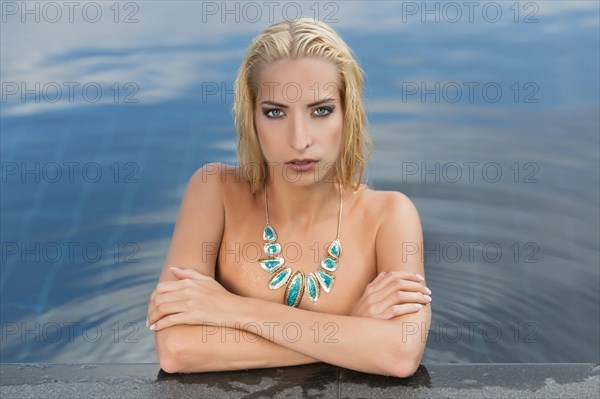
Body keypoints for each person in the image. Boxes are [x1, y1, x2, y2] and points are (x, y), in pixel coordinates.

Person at [146, 18, 432, 378]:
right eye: (275, 112)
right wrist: (351, 332)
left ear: (349, 114)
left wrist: (232, 309)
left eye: (321, 110)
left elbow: (399, 353)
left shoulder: (390, 216)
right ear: (251, 117)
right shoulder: (214, 190)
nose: (299, 140)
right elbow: (177, 350)